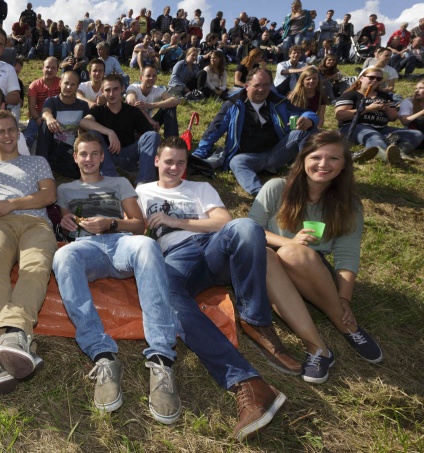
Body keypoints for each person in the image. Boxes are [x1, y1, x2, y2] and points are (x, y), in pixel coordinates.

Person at [137, 136, 297, 441]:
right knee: (168, 297)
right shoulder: (142, 192)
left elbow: (222, 221)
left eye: (181, 162)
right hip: (176, 259)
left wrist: (174, 220)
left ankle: (255, 319)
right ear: (156, 161)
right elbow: (131, 224)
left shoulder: (200, 188)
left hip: (214, 248)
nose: (174, 167)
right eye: (168, 161)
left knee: (246, 227)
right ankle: (249, 384)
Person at [52, 133, 181, 423]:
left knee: (148, 246)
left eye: (94, 154)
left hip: (121, 242)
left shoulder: (119, 183)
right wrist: (65, 223)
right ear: (75, 158)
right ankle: (103, 356)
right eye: (83, 154)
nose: (88, 159)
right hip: (88, 248)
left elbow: (140, 226)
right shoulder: (65, 190)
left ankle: (161, 357)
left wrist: (110, 222)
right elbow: (66, 230)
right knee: (62, 256)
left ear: (102, 157)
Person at [247, 131, 382, 384]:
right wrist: (290, 242)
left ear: (344, 166)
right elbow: (250, 230)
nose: (323, 164)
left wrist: (344, 298)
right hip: (270, 267)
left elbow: (347, 255)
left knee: (294, 254)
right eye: (316, 156)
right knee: (268, 255)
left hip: (312, 270)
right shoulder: (276, 188)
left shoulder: (348, 205)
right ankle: (318, 349)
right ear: (303, 159)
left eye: (333, 158)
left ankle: (345, 324)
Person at [0, 110, 57, 395]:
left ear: (18, 133)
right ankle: (18, 342)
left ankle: (9, 344)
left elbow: (49, 195)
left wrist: (12, 203)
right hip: (0, 224)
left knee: (35, 268)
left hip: (36, 221)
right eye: (1, 131)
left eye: (12, 130)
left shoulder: (36, 161)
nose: (7, 135)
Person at [193, 68, 318, 196]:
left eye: (266, 85)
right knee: (236, 162)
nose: (262, 89)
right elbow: (214, 129)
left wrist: (309, 119)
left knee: (308, 130)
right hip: (247, 157)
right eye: (257, 85)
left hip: (277, 152)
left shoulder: (278, 101)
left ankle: (309, 175)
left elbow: (303, 113)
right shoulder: (233, 104)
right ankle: (261, 194)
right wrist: (198, 154)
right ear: (247, 86)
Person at [334, 67, 423, 164]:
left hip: (382, 128)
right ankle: (384, 156)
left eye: (378, 79)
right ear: (361, 78)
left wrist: (387, 109)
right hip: (354, 126)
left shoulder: (384, 96)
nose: (375, 80)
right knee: (374, 136)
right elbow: (340, 115)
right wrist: (368, 109)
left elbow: (393, 118)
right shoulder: (351, 94)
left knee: (416, 134)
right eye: (371, 77)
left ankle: (399, 152)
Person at [86, 74, 160, 185]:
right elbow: (84, 122)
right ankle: (111, 177)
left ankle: (144, 183)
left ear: (122, 88)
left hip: (127, 155)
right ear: (102, 91)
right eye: (107, 90)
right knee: (93, 133)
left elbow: (148, 135)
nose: (111, 94)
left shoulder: (133, 111)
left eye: (115, 89)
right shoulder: (98, 110)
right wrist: (109, 132)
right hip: (105, 156)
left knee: (152, 135)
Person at [35, 70, 90, 178]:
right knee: (45, 125)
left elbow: (85, 128)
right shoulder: (51, 101)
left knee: (76, 171)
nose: (69, 87)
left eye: (73, 84)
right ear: (60, 83)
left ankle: (54, 166)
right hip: (53, 146)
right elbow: (45, 111)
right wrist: (49, 117)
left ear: (77, 86)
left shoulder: (83, 105)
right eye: (66, 83)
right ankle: (42, 164)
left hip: (70, 149)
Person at [125, 65, 181, 136]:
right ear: (141, 78)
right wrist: (151, 121)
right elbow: (131, 101)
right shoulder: (133, 87)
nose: (151, 78)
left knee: (170, 106)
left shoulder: (157, 90)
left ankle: (171, 140)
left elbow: (176, 100)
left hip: (147, 124)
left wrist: (151, 105)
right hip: (132, 124)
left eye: (154, 76)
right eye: (148, 76)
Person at [24, 57, 61, 148]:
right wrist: (37, 118)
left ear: (57, 70)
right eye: (47, 67)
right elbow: (32, 107)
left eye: (53, 68)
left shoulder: (61, 83)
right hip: (39, 114)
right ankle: (21, 151)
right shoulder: (34, 85)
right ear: (42, 69)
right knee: (29, 136)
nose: (50, 70)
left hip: (58, 113)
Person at [399, 81, 424, 146]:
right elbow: (404, 121)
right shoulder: (408, 102)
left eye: (421, 88)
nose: (416, 91)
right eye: (416, 88)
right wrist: (422, 112)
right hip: (413, 132)